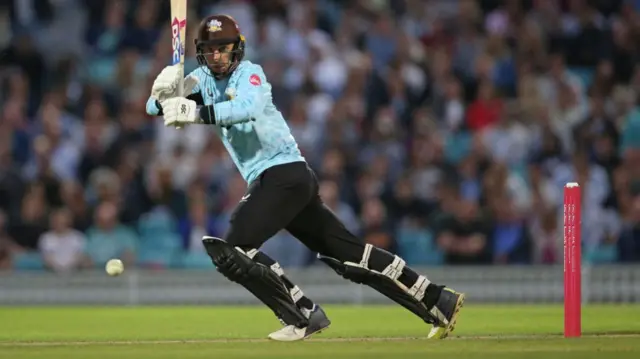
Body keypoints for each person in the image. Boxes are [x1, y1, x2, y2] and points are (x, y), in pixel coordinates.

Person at [146, 14, 464, 342]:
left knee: (234, 249)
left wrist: (194, 112)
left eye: (223, 49)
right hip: (279, 181)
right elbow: (155, 108)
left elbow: (246, 109)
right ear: (201, 52)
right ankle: (438, 299)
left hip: (284, 174)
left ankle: (302, 313)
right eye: (210, 51)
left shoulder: (249, 73)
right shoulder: (200, 81)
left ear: (237, 49)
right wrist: (165, 87)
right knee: (350, 258)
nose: (217, 57)